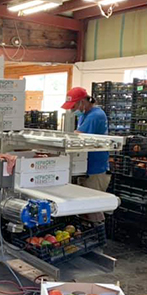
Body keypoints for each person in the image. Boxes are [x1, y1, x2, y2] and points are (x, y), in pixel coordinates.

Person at [62, 87, 110, 223]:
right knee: (84, 206)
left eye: (75, 106)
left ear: (83, 102)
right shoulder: (85, 114)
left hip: (95, 167)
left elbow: (79, 136)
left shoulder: (96, 115)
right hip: (86, 165)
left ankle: (99, 235)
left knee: (93, 206)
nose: (73, 110)